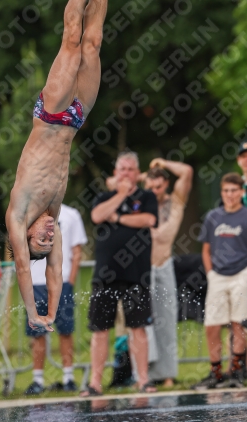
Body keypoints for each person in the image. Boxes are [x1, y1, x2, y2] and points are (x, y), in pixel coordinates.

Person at [5, 0, 119, 333]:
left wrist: (32, 314)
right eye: (47, 241)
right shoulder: (51, 213)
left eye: (42, 238)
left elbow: (23, 264)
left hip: (51, 115)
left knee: (71, 38)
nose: (49, 234)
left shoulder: (18, 214)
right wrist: (52, 313)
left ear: (25, 234)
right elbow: (54, 270)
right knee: (93, 42)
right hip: (74, 120)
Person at [82, 151, 158, 395]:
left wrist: (118, 217)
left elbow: (148, 219)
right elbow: (97, 216)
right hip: (106, 273)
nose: (126, 173)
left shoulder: (147, 197)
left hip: (137, 273)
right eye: (122, 169)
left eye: (130, 169)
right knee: (100, 329)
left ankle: (143, 380)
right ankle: (95, 383)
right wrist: (121, 196)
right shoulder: (104, 197)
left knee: (138, 328)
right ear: (115, 173)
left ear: (137, 173)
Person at [24, 204, 88, 395]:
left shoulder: (71, 214)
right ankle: (38, 380)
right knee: (37, 332)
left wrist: (70, 281)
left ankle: (68, 377)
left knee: (65, 330)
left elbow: (76, 252)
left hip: (61, 281)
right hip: (35, 282)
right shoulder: (28, 213)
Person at [193, 173, 247, 389]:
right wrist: (210, 272)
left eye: (234, 190)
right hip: (218, 274)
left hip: (241, 273)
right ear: (222, 192)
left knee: (238, 323)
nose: (229, 195)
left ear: (241, 192)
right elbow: (206, 248)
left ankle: (236, 370)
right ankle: (215, 371)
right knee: (212, 325)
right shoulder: (213, 216)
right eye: (226, 191)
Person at [144, 159, 193, 387]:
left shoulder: (176, 202)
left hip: (164, 265)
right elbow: (113, 181)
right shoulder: (141, 204)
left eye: (159, 186)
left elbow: (187, 172)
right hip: (143, 268)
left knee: (166, 321)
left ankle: (168, 375)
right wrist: (144, 176)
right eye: (151, 187)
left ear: (166, 184)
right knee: (143, 324)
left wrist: (162, 162)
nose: (155, 191)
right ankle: (144, 376)